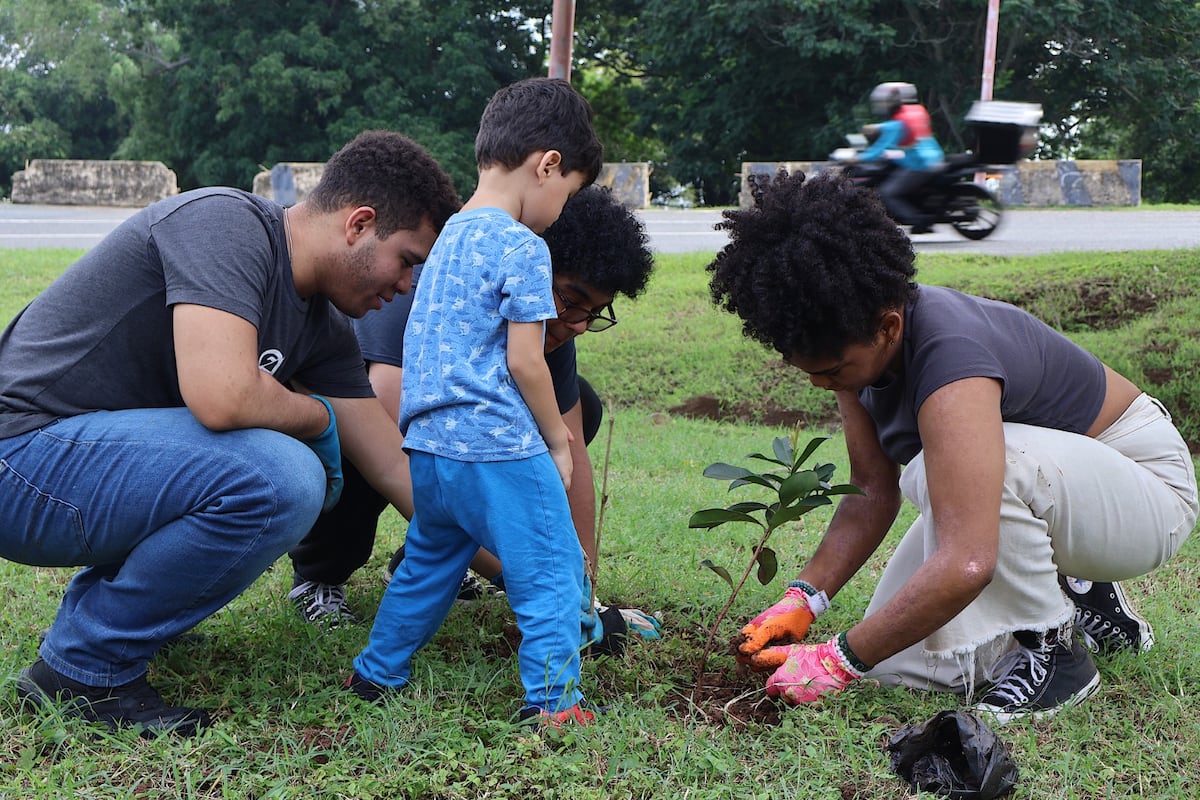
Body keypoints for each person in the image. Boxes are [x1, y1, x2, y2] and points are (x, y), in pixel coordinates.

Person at [0, 130, 461, 736]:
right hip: (20, 458)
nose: (407, 286)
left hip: (77, 469)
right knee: (281, 476)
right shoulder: (225, 223)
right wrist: (318, 418)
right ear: (359, 223)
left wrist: (541, 585)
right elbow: (224, 395)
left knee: (275, 465)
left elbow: (400, 472)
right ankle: (87, 669)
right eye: (408, 260)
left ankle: (101, 627)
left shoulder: (324, 328)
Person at [710, 170, 1197, 723]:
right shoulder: (854, 349)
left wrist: (839, 658)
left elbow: (968, 561)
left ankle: (1057, 658)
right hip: (1070, 489)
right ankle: (1083, 597)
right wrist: (804, 598)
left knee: (941, 474)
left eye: (832, 370)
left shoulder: (951, 362)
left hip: (1148, 493)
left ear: (888, 326)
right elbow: (871, 491)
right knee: (906, 666)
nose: (823, 384)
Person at [345, 77, 607, 727]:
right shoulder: (522, 246)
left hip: (430, 448)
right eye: (567, 193)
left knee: (429, 565)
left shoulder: (444, 244)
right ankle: (553, 703)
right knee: (549, 569)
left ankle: (376, 673)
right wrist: (556, 438)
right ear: (547, 165)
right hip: (495, 444)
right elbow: (524, 359)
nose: (560, 210)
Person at [287, 185, 655, 634]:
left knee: (578, 409)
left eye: (594, 313)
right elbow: (392, 451)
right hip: (373, 421)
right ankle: (320, 574)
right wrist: (520, 576)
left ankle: (433, 557)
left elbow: (570, 452)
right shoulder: (434, 282)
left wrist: (582, 593)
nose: (577, 323)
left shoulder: (549, 325)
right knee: (380, 443)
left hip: (450, 436)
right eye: (572, 300)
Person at [858, 81, 945, 234]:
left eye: (884, 102)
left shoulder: (898, 123)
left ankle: (918, 220)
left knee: (887, 192)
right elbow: (897, 128)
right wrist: (878, 127)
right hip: (933, 156)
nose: (883, 105)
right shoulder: (917, 110)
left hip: (918, 164)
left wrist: (859, 158)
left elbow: (882, 146)